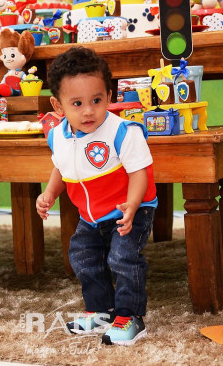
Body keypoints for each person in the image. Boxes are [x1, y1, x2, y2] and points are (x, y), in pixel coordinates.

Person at [36, 47, 157, 346]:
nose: (88, 111)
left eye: (97, 100)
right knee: (82, 256)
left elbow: (139, 172)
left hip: (129, 209)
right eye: (77, 103)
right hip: (90, 216)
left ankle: (130, 316)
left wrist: (132, 205)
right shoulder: (57, 135)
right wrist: (49, 193)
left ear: (109, 96)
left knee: (122, 258)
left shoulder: (123, 131)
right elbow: (60, 167)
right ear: (58, 105)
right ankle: (101, 311)